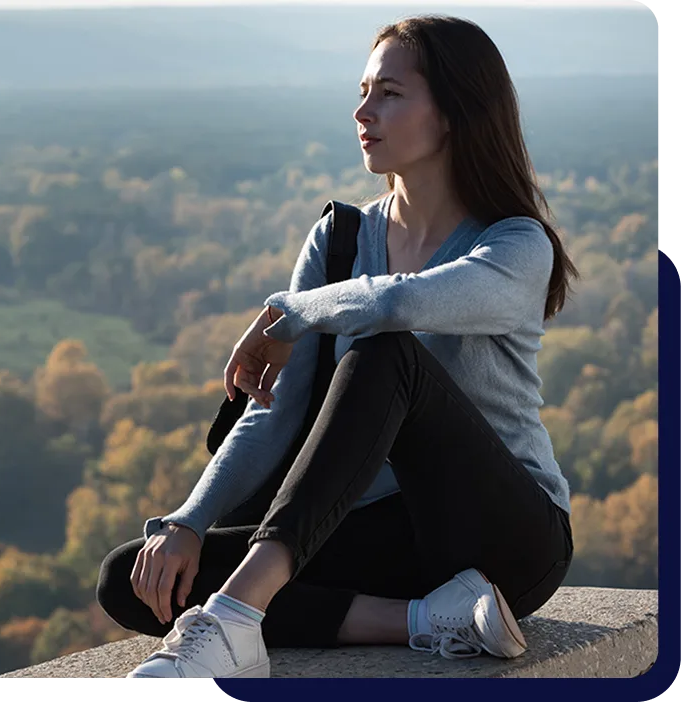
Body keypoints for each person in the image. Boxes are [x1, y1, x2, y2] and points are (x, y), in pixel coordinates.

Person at [96, 14, 579, 680]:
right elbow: (273, 415)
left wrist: (290, 313)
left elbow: (398, 305)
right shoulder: (341, 239)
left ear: (453, 113)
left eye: (390, 92)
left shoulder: (516, 246)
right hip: (385, 539)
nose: (362, 111)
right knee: (135, 575)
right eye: (363, 90)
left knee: (385, 353)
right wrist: (186, 521)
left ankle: (235, 620)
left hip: (506, 540)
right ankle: (428, 619)